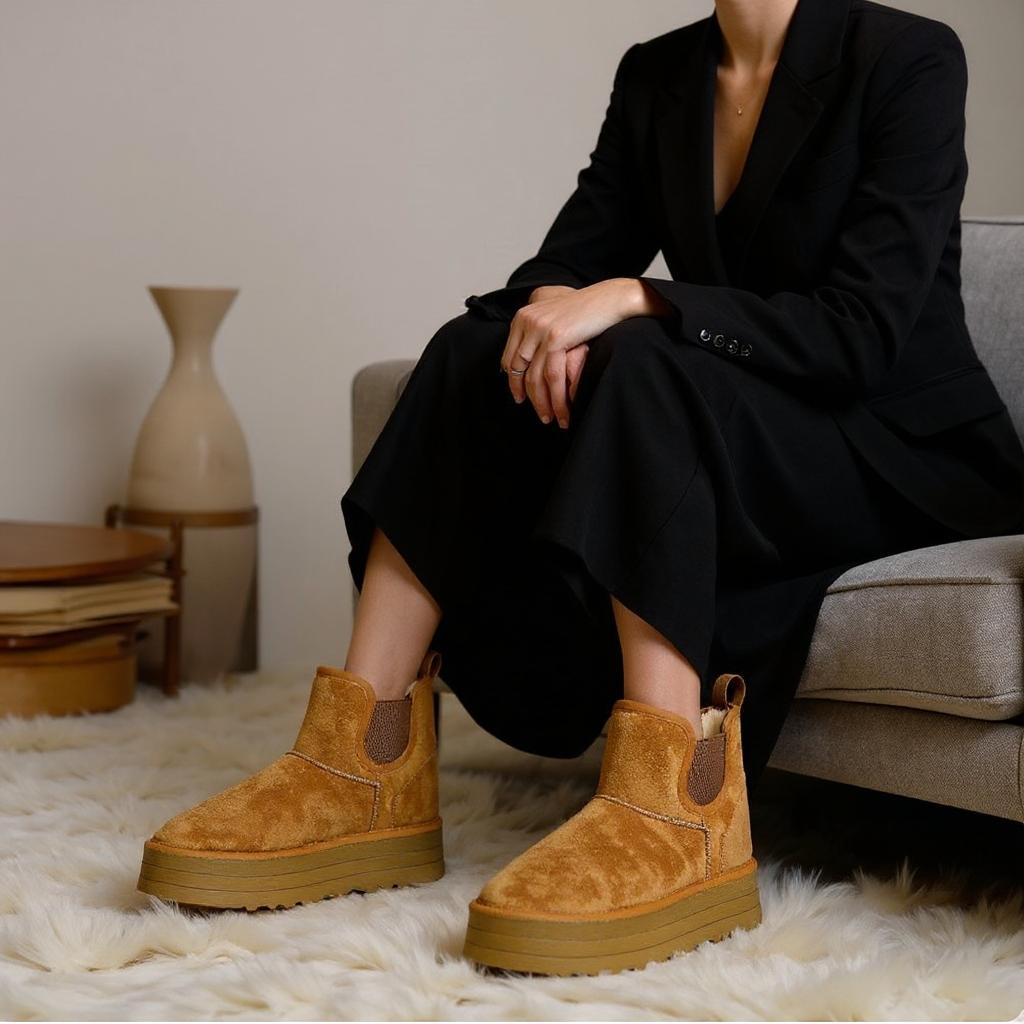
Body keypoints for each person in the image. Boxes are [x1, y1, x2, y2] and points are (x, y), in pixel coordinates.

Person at [137, 0, 1024, 977]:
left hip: (898, 450)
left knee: (642, 358)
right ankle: (362, 758)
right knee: (473, 348)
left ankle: (671, 802)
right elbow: (566, 261)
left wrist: (639, 295)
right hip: (745, 417)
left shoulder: (906, 58)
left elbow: (862, 331)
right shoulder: (661, 73)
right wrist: (551, 311)